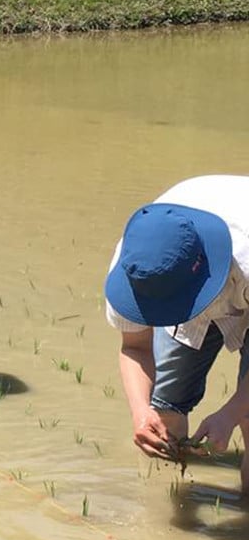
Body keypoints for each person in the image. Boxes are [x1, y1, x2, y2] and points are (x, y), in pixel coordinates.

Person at [104, 175, 249, 494]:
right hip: (191, 269)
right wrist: (141, 411)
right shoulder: (139, 268)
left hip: (238, 272)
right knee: (163, 416)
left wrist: (230, 414)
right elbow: (135, 347)